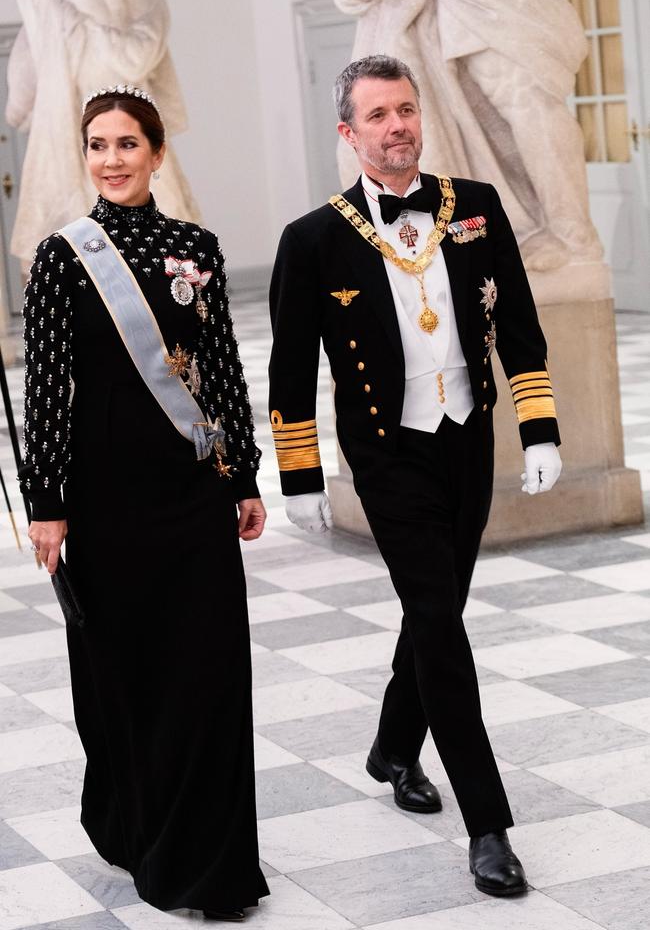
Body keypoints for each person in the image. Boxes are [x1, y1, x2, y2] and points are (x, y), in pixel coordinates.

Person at [268, 55, 562, 897]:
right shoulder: (313, 238)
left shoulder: (473, 206)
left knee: (435, 613)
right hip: (388, 452)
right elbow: (291, 370)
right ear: (348, 133)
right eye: (377, 116)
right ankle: (489, 826)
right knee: (440, 616)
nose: (396, 127)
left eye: (406, 110)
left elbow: (523, 326)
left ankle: (393, 747)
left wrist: (537, 427)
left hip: (467, 437)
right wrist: (300, 477)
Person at [20, 85, 269, 921]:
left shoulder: (194, 244)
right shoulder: (63, 255)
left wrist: (242, 475)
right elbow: (47, 389)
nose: (113, 159)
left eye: (129, 143)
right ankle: (141, 832)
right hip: (105, 505)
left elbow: (224, 368)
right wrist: (46, 503)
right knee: (128, 679)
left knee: (208, 676)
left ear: (157, 153)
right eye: (98, 145)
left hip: (191, 497)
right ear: (84, 155)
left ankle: (215, 866)